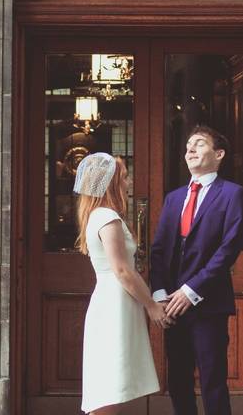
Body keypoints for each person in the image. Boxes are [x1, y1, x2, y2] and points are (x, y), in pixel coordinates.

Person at [149, 125, 243, 415]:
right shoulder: (173, 198)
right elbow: (159, 251)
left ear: (219, 154)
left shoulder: (234, 194)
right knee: (178, 380)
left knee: (213, 381)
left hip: (208, 304)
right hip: (171, 306)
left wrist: (191, 290)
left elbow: (228, 250)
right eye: (188, 145)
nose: (190, 149)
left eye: (200, 144)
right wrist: (159, 293)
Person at [75, 152, 166, 414]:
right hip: (114, 303)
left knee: (108, 381)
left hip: (110, 300)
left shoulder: (97, 215)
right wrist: (151, 305)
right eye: (124, 178)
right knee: (109, 384)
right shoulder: (107, 218)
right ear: (111, 183)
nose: (128, 183)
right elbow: (123, 270)